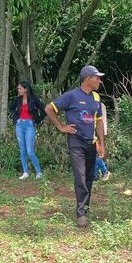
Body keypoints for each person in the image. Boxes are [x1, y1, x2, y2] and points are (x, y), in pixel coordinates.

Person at [45, 65, 106, 228]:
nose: (99, 80)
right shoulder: (71, 96)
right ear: (87, 79)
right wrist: (61, 126)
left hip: (91, 143)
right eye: (97, 78)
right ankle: (80, 213)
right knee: (80, 176)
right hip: (76, 142)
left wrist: (101, 143)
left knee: (89, 176)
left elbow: (98, 121)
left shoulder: (96, 98)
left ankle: (86, 208)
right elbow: (49, 108)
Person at [8, 82, 46, 179]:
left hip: (29, 125)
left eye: (20, 88)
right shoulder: (17, 99)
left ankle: (39, 172)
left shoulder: (34, 99)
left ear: (26, 89)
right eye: (18, 89)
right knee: (22, 150)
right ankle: (25, 172)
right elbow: (11, 108)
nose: (18, 90)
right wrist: (15, 117)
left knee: (30, 151)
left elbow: (44, 110)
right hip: (19, 125)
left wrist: (37, 120)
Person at [94, 103, 111, 181]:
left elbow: (101, 122)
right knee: (93, 155)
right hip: (93, 133)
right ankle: (95, 175)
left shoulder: (99, 105)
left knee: (96, 155)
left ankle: (105, 171)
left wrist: (100, 137)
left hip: (97, 133)